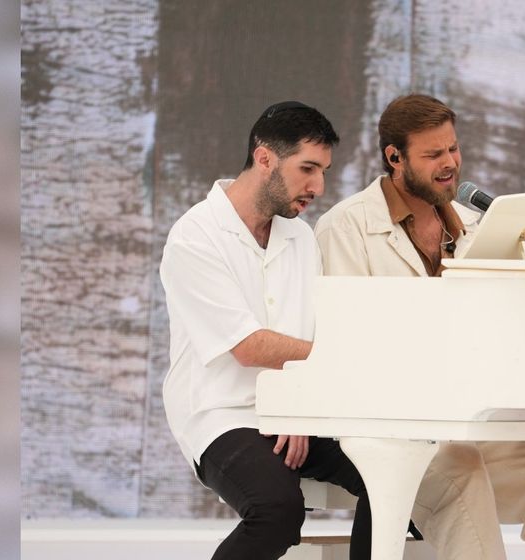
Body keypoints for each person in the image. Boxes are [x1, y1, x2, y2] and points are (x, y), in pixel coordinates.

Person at [314, 93, 525, 560]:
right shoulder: (344, 228)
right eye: (433, 154)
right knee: (462, 470)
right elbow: (346, 345)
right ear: (394, 158)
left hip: (465, 424)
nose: (450, 163)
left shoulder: (477, 226)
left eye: (453, 149)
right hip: (389, 427)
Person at [160, 101, 371, 560]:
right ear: (264, 158)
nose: (318, 187)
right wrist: (336, 362)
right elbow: (249, 346)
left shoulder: (301, 238)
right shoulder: (195, 236)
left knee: (393, 475)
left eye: (324, 171)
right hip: (222, 413)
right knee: (277, 508)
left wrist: (301, 412)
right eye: (307, 169)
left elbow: (311, 332)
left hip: (293, 409)